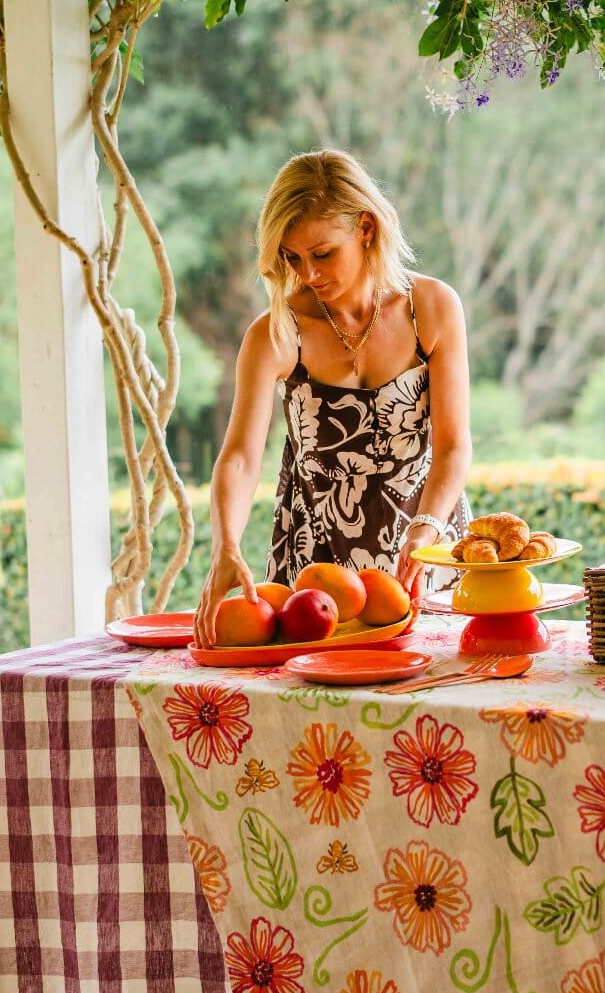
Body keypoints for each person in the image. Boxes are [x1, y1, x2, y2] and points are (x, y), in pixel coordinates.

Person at [193, 149, 472, 647]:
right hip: (314, 574)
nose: (309, 274)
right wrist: (225, 544)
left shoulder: (431, 308)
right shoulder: (276, 333)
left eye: (323, 254)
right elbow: (239, 456)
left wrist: (427, 528)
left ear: (366, 228)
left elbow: (453, 446)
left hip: (423, 551)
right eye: (291, 258)